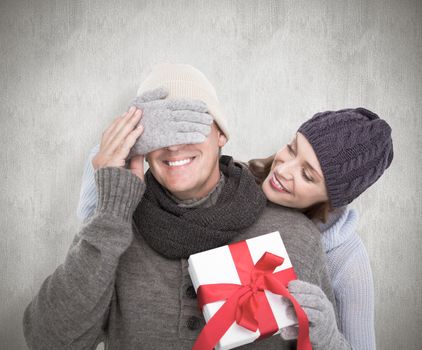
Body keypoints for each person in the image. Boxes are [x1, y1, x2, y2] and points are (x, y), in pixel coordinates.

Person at [23, 63, 350, 350]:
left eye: (188, 123)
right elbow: (49, 341)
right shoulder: (113, 229)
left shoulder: (294, 235)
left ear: (221, 133)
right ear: (140, 145)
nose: (174, 144)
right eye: (156, 130)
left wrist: (329, 341)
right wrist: (111, 211)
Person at [248, 107, 394, 349]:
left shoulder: (347, 260)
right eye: (291, 149)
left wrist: (328, 337)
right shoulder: (239, 184)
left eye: (307, 175)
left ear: (331, 199)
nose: (282, 170)